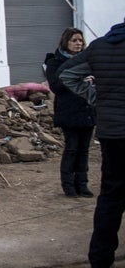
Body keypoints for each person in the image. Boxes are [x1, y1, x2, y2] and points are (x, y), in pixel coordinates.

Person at [61, 17, 125, 268]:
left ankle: (100, 262)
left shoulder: (99, 47)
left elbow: (67, 74)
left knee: (111, 196)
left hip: (112, 134)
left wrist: (96, 97)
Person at [44, 28, 95, 197]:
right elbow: (56, 87)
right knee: (72, 148)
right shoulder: (55, 62)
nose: (78, 44)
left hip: (86, 110)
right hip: (68, 111)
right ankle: (68, 186)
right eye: (74, 40)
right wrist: (75, 79)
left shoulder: (87, 61)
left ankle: (82, 184)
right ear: (66, 42)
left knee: (84, 150)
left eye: (80, 40)